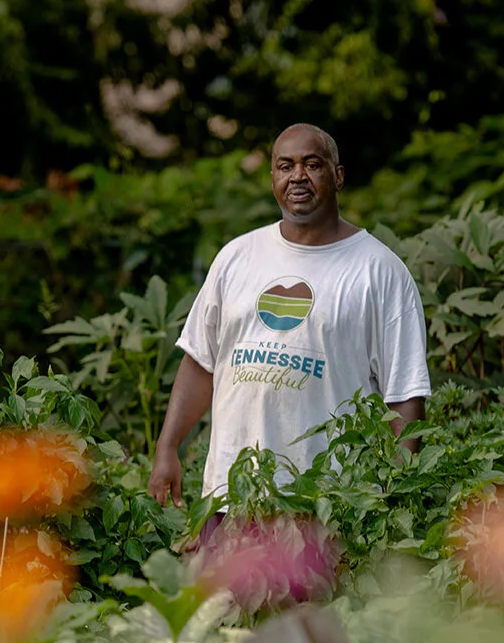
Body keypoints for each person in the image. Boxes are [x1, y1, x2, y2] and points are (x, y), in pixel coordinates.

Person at [148, 123, 430, 507]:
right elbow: (201, 363)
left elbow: (405, 394)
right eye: (286, 166)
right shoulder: (236, 257)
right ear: (273, 178)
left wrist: (395, 496)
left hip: (332, 505)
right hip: (231, 498)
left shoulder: (379, 270)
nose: (298, 176)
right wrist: (167, 448)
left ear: (338, 176)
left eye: (312, 164)